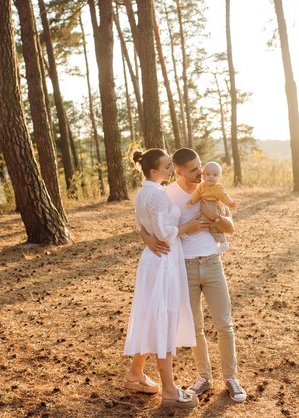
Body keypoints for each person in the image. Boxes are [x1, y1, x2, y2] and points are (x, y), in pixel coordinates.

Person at [141, 148, 247, 403]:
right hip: (183, 267)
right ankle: (204, 377)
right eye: (194, 169)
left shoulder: (212, 187)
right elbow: (146, 225)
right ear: (178, 171)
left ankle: (231, 378)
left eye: (201, 166)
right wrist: (147, 239)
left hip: (212, 263)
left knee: (224, 323)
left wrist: (216, 218)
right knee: (195, 327)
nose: (201, 172)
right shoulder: (167, 195)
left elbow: (230, 228)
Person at [123, 148, 210, 409]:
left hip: (157, 259)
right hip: (162, 261)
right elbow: (164, 233)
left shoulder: (144, 192)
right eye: (166, 166)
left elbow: (141, 225)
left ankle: (135, 373)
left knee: (154, 315)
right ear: (153, 170)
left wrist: (147, 237)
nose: (171, 169)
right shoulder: (158, 195)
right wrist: (187, 228)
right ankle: (170, 390)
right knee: (164, 318)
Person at [188, 160, 239, 253]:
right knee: (199, 221)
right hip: (204, 206)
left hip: (215, 207)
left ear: (219, 177)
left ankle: (223, 242)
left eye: (215, 175)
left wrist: (230, 203)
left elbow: (224, 196)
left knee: (214, 226)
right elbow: (197, 194)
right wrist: (193, 199)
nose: (211, 177)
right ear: (203, 176)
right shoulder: (201, 186)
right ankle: (189, 232)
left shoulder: (218, 187)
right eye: (207, 174)